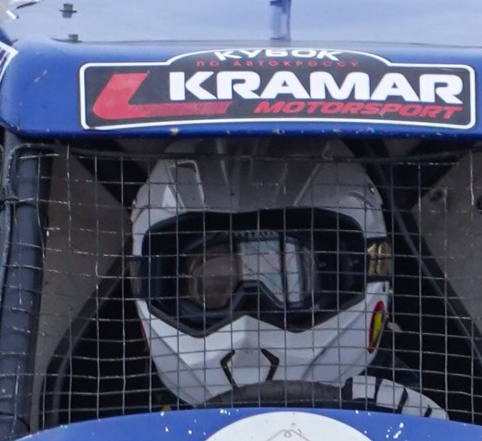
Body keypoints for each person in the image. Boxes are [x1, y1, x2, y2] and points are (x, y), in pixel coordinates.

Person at [129, 144, 444, 413]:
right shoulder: (120, 425)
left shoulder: (407, 415)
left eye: (279, 277)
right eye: (217, 284)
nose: (248, 322)